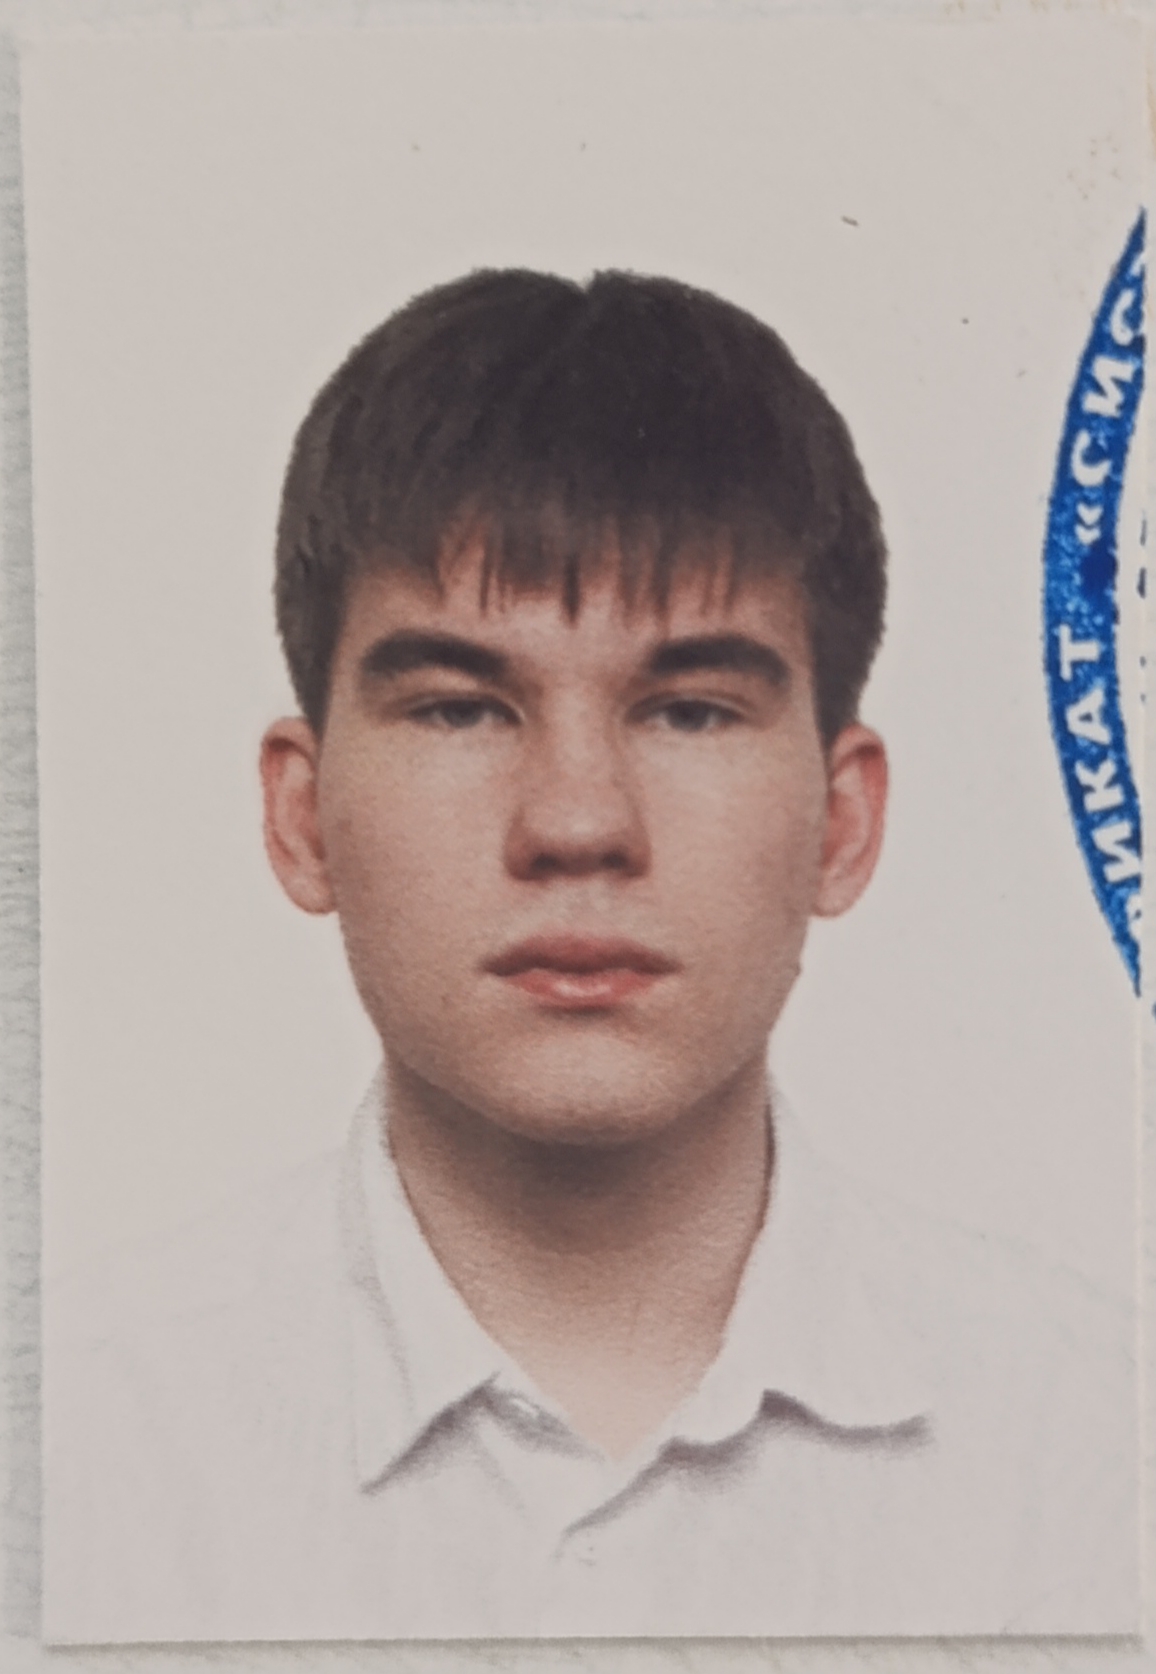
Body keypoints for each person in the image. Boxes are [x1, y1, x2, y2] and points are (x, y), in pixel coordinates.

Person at [44, 269, 1136, 1644]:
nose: (577, 823)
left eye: (690, 711)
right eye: (459, 708)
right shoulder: (72, 1448)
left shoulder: (1101, 1455)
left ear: (843, 821)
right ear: (301, 815)